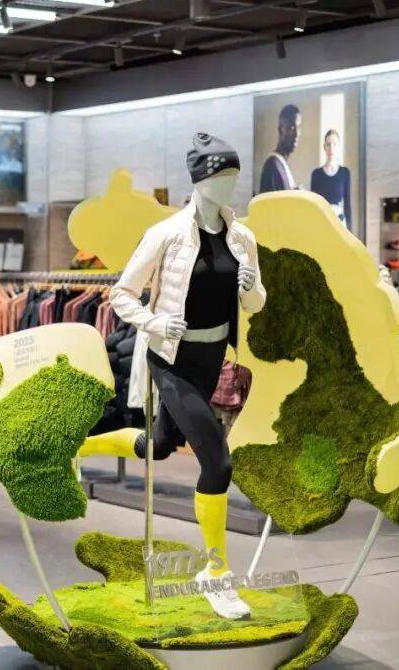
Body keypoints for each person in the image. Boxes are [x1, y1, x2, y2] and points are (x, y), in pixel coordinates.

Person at [79, 133, 266, 621]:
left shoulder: (242, 238)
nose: (228, 186)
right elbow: (122, 294)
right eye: (221, 176)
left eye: (233, 177)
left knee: (159, 446)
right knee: (217, 463)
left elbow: (254, 303)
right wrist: (156, 322)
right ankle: (216, 572)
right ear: (200, 179)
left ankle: (82, 446)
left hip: (213, 358)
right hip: (171, 359)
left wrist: (252, 287)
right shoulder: (166, 234)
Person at [310, 129, 352, 229]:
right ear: (324, 147)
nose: (331, 148)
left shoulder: (344, 173)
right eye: (328, 144)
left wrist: (350, 232)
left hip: (339, 224)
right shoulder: (316, 174)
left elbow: (347, 205)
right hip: (321, 223)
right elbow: (313, 205)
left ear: (339, 147)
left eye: (334, 144)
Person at [258, 104, 301, 193]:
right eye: (291, 128)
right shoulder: (273, 166)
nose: (296, 134)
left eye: (299, 127)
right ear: (280, 130)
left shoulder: (282, 164)